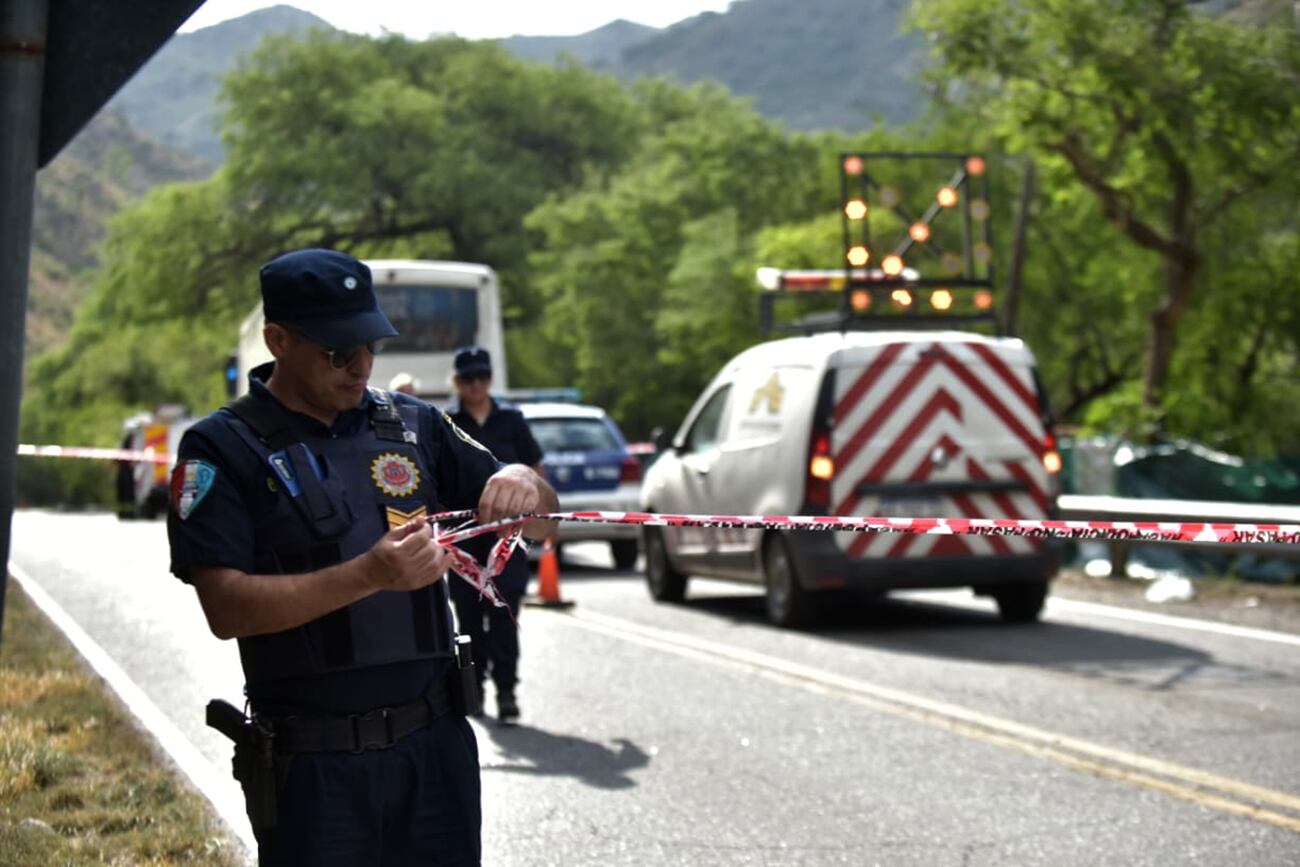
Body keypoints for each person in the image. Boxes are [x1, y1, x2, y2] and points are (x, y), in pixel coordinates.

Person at [166, 248, 557, 865]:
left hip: (434, 752)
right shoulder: (221, 446)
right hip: (314, 770)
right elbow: (226, 607)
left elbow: (542, 520)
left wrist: (521, 480)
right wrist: (367, 575)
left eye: (370, 345)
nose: (361, 365)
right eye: (337, 351)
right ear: (278, 340)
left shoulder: (412, 424)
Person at [444, 346, 545, 725]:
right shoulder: (446, 423)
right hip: (465, 539)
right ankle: (477, 690)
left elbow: (535, 472)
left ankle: (507, 691)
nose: (476, 385)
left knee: (505, 614)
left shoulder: (511, 421)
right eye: (468, 379)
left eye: (482, 377)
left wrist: (543, 519)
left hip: (507, 537)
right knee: (469, 619)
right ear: (457, 383)